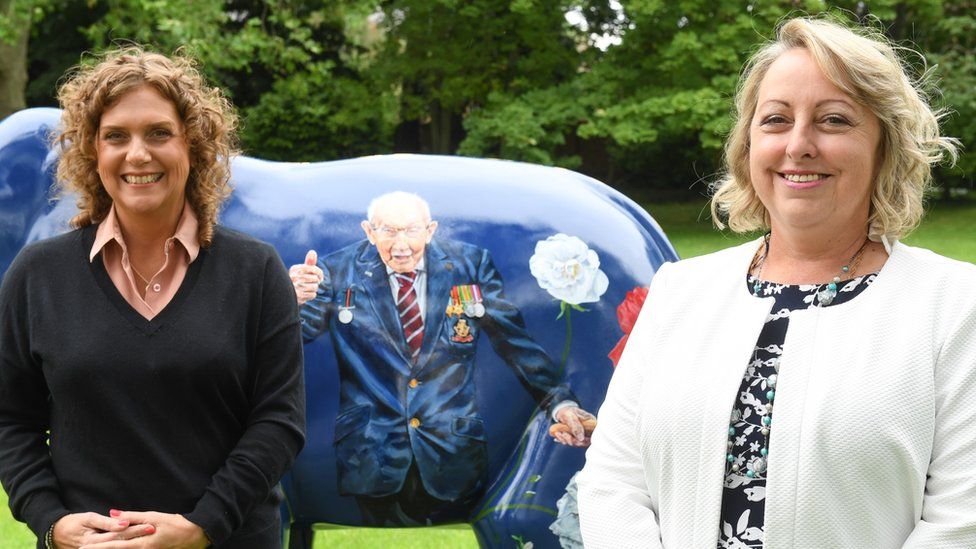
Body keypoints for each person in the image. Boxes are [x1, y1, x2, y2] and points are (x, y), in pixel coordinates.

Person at [577, 16, 975, 548]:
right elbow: (612, 483)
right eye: (776, 120)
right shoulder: (679, 292)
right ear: (747, 145)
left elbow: (960, 519)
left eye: (834, 120)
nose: (799, 145)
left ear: (886, 146)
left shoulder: (954, 307)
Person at [0, 48, 305, 548]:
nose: (137, 154)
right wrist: (51, 522)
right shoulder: (37, 275)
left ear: (194, 145)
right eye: (115, 136)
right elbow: (10, 419)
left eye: (158, 133)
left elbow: (278, 421)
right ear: (92, 152)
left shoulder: (256, 271)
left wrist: (202, 526)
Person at [289, 191, 594, 526]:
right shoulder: (336, 269)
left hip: (453, 450)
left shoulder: (469, 265)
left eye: (411, 230)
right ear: (369, 231)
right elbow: (294, 336)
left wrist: (558, 402)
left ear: (430, 230)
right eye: (388, 231)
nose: (400, 244)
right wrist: (291, 298)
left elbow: (513, 341)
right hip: (372, 452)